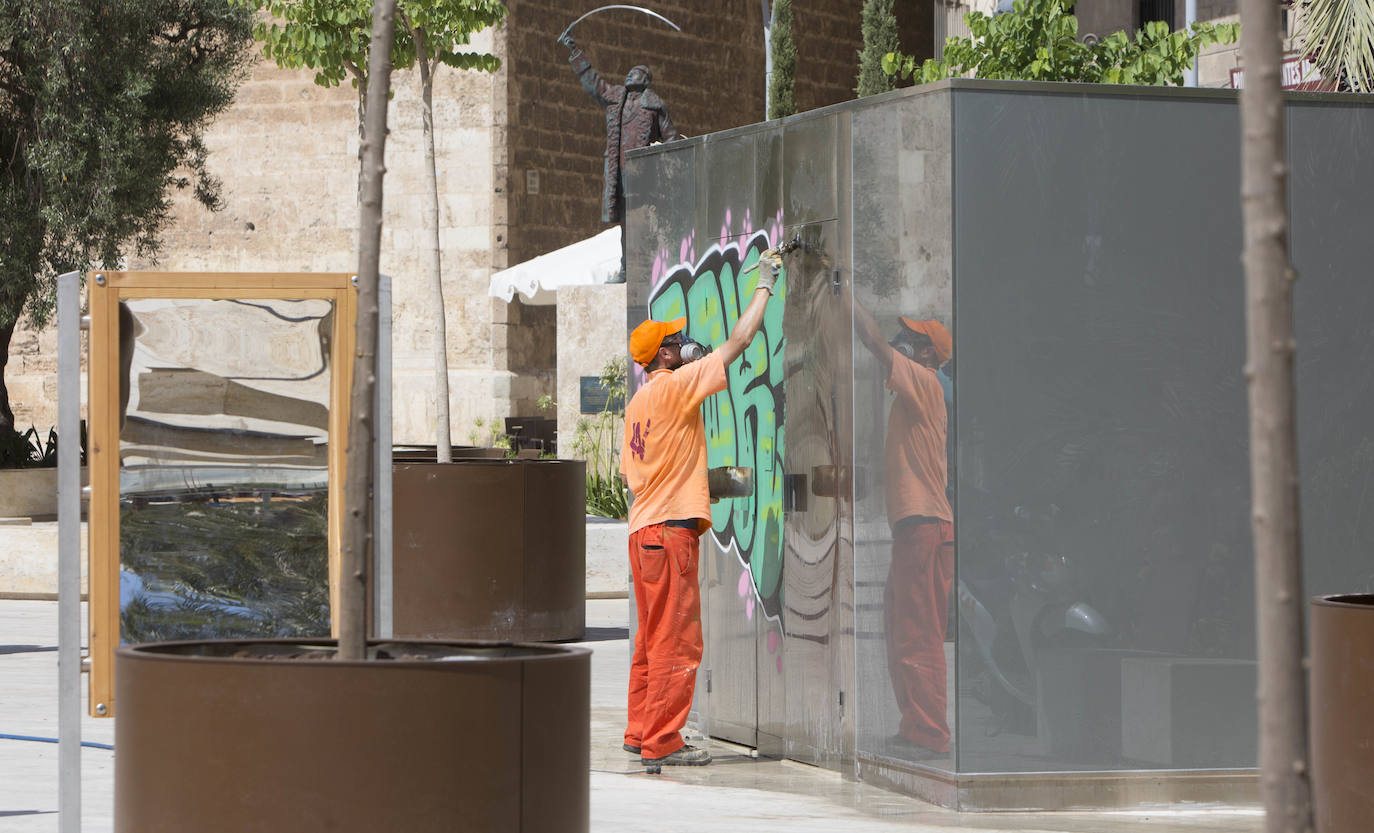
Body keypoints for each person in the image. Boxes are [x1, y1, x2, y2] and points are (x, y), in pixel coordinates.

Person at [620, 249, 782, 767]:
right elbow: (738, 343)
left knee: (650, 639)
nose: (685, 345)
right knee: (679, 642)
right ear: (665, 356)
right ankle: (662, 743)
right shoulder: (676, 387)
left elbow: (635, 475)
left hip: (643, 531)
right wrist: (765, 286)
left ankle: (639, 730)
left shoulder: (638, 404)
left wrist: (698, 482)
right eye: (677, 341)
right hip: (671, 535)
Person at [855, 305, 955, 758]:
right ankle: (916, 724)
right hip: (916, 526)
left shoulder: (925, 380)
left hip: (924, 525)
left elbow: (874, 344)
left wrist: (843, 291)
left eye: (910, 340)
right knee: (901, 626)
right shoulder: (916, 389)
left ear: (927, 354)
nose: (901, 343)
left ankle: (930, 732)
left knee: (918, 632)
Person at [558, 34, 679, 224]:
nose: (630, 74)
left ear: (646, 81)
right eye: (629, 72)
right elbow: (593, 82)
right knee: (625, 224)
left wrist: (664, 168)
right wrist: (575, 52)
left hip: (643, 174)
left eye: (636, 72)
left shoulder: (655, 106)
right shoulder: (614, 98)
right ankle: (627, 255)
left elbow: (671, 139)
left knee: (643, 221)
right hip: (618, 172)